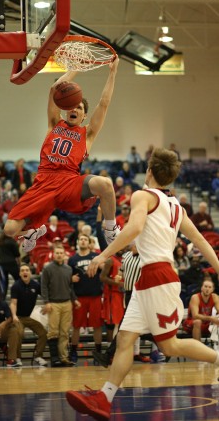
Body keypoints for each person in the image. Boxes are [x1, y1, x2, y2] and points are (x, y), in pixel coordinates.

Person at [66, 148, 219, 421]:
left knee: (169, 346)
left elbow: (134, 228)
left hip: (159, 277)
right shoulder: (177, 207)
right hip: (147, 280)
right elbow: (201, 241)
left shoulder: (142, 196)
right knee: (124, 339)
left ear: (149, 171)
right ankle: (104, 398)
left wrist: (102, 255)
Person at [4, 60, 120, 253]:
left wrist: (113, 72)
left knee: (105, 185)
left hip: (69, 182)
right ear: (66, 108)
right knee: (9, 230)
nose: (74, 109)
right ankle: (32, 231)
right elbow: (54, 89)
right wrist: (76, 68)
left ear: (84, 116)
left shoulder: (88, 134)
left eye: (80, 108)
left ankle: (110, 228)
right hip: (43, 182)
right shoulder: (54, 124)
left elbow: (104, 103)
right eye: (72, 106)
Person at [41, 245, 80, 367]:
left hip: (67, 303)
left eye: (61, 253)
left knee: (64, 332)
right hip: (53, 303)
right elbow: (44, 286)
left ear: (64, 255)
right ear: (53, 254)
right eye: (57, 253)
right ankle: (54, 358)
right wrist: (46, 302)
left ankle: (63, 358)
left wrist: (75, 300)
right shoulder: (47, 269)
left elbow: (70, 287)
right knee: (53, 332)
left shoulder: (68, 269)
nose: (59, 255)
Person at [68, 234, 103, 363]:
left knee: (97, 325)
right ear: (78, 242)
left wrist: (102, 266)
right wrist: (70, 279)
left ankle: (98, 352)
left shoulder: (96, 257)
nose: (83, 241)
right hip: (79, 297)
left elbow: (105, 271)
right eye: (81, 239)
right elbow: (68, 279)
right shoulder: (72, 260)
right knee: (76, 326)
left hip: (95, 296)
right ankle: (73, 352)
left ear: (89, 243)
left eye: (85, 239)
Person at [10, 263, 48, 367]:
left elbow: (45, 296)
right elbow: (13, 303)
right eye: (22, 270)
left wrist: (47, 304)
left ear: (30, 273)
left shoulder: (35, 285)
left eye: (27, 270)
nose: (25, 272)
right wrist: (14, 315)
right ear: (19, 274)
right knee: (18, 333)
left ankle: (38, 356)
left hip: (29, 317)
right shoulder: (16, 286)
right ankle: (17, 358)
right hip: (18, 317)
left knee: (43, 333)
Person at [0, 232, 20, 300]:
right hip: (11, 263)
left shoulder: (1, 242)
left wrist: (0, 256)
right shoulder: (13, 242)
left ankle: (2, 298)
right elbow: (17, 255)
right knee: (18, 279)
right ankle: (19, 295)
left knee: (3, 281)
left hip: (1, 264)